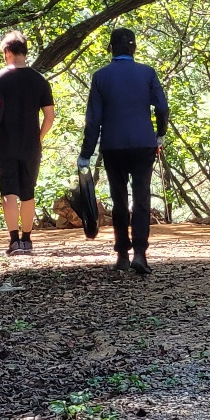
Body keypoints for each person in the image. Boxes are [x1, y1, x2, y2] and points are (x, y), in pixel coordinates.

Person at [78, 28, 169, 274]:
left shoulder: (101, 77)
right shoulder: (147, 73)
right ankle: (140, 253)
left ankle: (121, 255)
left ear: (110, 49)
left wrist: (86, 153)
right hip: (143, 143)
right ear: (134, 48)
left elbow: (93, 120)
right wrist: (160, 134)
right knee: (141, 198)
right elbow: (162, 108)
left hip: (113, 145)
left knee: (119, 199)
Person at [0, 31, 55, 256]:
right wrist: (38, 138)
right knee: (28, 191)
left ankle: (13, 241)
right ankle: (27, 241)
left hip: (4, 143)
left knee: (8, 192)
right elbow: (49, 117)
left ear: (7, 52)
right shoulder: (39, 80)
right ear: (24, 52)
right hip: (30, 145)